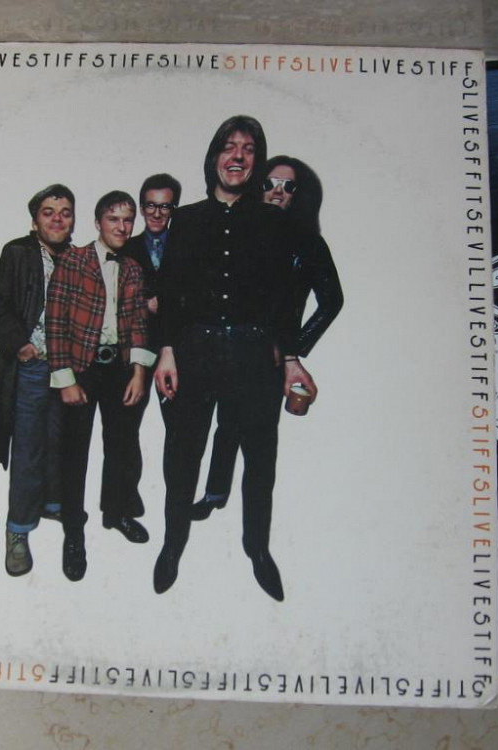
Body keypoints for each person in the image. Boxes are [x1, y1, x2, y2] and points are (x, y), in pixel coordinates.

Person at [152, 115, 315, 601]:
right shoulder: (186, 220)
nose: (238, 156)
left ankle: (257, 549)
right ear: (215, 157)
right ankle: (172, 545)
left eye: (248, 148)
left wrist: (290, 357)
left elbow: (286, 301)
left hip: (253, 355)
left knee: (260, 461)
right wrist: (167, 351)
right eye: (229, 146)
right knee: (182, 457)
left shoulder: (274, 223)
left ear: (256, 162)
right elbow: (170, 291)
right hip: (195, 352)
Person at [194, 155, 343, 520]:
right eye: (270, 183)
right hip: (229, 346)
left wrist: (293, 349)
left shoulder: (308, 243)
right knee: (226, 424)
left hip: (272, 355)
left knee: (261, 441)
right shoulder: (237, 232)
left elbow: (332, 300)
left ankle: (256, 527)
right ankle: (215, 494)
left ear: (298, 195)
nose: (278, 192)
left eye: (288, 186)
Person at [46, 190, 155, 582]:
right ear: (97, 223)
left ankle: (117, 512)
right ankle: (73, 533)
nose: (122, 227)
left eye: (128, 220)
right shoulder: (73, 261)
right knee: (74, 454)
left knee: (122, 445)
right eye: (114, 219)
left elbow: (140, 323)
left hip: (119, 369)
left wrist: (139, 372)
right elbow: (56, 322)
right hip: (81, 369)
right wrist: (66, 379)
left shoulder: (133, 268)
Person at [0, 184, 75, 577]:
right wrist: (22, 346)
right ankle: (18, 530)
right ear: (34, 221)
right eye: (49, 212)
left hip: (69, 370)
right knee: (28, 448)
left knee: (62, 440)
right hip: (32, 368)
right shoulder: (17, 253)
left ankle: (52, 504)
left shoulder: (80, 258)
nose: (57, 219)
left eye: (65, 212)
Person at [122, 173, 182, 424]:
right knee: (125, 425)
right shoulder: (125, 248)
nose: (157, 213)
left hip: (175, 347)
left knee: (179, 426)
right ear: (141, 208)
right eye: (151, 205)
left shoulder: (186, 248)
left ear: (174, 209)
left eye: (165, 206)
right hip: (134, 347)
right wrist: (143, 306)